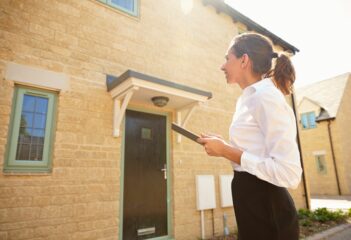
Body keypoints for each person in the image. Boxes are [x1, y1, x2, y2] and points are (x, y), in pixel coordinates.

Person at [197, 33, 302, 240]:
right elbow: (252, 153)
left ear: (244, 60)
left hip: (269, 213)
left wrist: (226, 150)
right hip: (251, 206)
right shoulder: (247, 99)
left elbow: (290, 173)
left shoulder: (266, 98)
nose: (222, 66)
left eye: (228, 58)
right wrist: (224, 148)